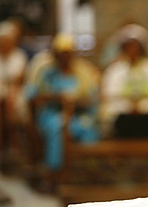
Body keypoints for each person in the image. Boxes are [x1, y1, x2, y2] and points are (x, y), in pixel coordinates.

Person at [25, 33, 100, 172]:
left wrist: (79, 102)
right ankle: (56, 170)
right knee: (58, 128)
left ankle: (88, 168)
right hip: (52, 114)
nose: (65, 58)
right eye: (62, 54)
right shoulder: (46, 73)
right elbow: (33, 96)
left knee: (88, 128)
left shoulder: (83, 73)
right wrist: (54, 97)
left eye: (68, 54)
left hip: (78, 115)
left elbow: (91, 98)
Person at [0, 20, 28, 155]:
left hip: (15, 90)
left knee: (11, 103)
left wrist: (11, 90)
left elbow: (19, 79)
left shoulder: (19, 56)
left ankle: (14, 144)